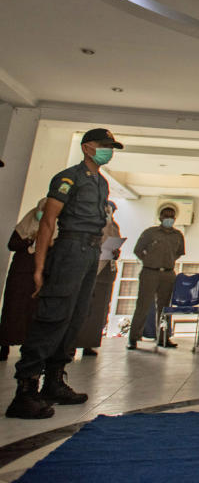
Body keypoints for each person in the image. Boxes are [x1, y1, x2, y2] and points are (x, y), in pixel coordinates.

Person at [6, 128, 122, 419]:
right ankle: (25, 390)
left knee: (74, 319)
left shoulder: (101, 183)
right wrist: (39, 266)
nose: (109, 151)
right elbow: (48, 223)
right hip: (69, 249)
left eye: (112, 147)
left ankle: (54, 381)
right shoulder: (68, 178)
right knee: (53, 316)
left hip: (90, 252)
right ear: (87, 147)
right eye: (104, 145)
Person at [126, 206, 185, 350]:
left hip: (168, 273)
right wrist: (150, 261)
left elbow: (178, 253)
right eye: (166, 215)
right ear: (160, 217)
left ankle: (163, 338)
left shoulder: (178, 235)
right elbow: (138, 250)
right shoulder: (150, 233)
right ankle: (133, 338)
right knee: (143, 306)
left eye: (171, 216)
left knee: (164, 309)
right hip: (150, 272)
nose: (169, 218)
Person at [0, 199, 46, 362]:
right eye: (41, 210)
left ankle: (28, 346)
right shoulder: (24, 227)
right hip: (20, 273)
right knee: (13, 308)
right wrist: (29, 240)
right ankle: (4, 344)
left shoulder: (51, 230)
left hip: (38, 275)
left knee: (31, 311)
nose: (42, 213)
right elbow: (12, 244)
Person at [75, 201, 121, 356]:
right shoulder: (91, 223)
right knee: (81, 306)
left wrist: (115, 252)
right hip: (89, 267)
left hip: (106, 271)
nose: (109, 213)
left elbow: (115, 246)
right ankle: (71, 344)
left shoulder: (113, 227)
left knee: (98, 310)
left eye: (111, 211)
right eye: (107, 210)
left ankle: (88, 343)